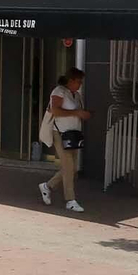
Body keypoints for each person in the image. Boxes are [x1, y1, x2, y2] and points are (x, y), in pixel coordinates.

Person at [38, 69, 91, 213]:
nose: (80, 85)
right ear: (71, 80)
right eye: (78, 82)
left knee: (72, 168)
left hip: (72, 134)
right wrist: (77, 113)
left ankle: (47, 186)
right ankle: (70, 200)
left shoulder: (76, 95)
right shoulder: (59, 91)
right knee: (68, 166)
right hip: (60, 133)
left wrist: (82, 115)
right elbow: (55, 110)